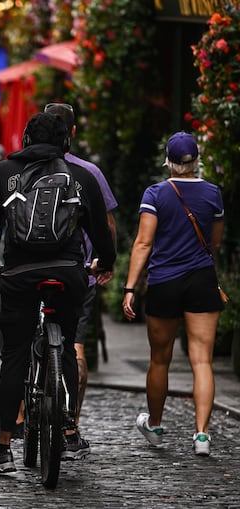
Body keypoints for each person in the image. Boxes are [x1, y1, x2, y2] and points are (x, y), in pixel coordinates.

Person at [0, 112, 115, 474]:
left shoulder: (4, 173)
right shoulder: (81, 176)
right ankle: (68, 429)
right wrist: (103, 264)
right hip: (68, 273)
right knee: (63, 346)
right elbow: (102, 234)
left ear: (26, 139)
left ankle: (3, 448)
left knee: (14, 354)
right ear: (66, 140)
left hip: (18, 275)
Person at [123, 132, 224, 457]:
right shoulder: (213, 193)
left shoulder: (156, 193)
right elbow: (216, 242)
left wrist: (130, 287)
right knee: (202, 359)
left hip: (165, 281)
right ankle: (202, 435)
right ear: (196, 160)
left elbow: (143, 242)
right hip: (201, 280)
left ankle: (154, 424)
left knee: (159, 359)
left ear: (167, 160)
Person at [44, 102, 117, 460]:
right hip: (79, 271)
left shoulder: (24, 168)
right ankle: (71, 424)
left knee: (23, 344)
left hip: (32, 271)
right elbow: (108, 226)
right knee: (75, 347)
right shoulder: (89, 173)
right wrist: (106, 263)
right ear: (72, 132)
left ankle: (18, 419)